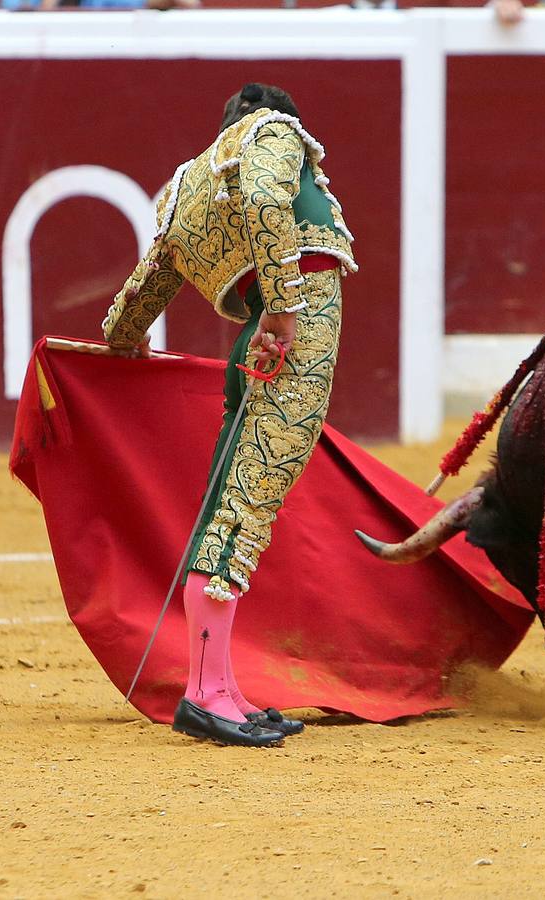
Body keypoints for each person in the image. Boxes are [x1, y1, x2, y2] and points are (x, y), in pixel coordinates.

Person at [101, 83, 356, 746]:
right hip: (289, 341)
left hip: (257, 344)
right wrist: (282, 306)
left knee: (231, 507)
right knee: (243, 515)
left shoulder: (186, 185)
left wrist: (122, 341)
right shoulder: (274, 133)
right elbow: (271, 197)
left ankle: (224, 689)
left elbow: (147, 286)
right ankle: (206, 694)